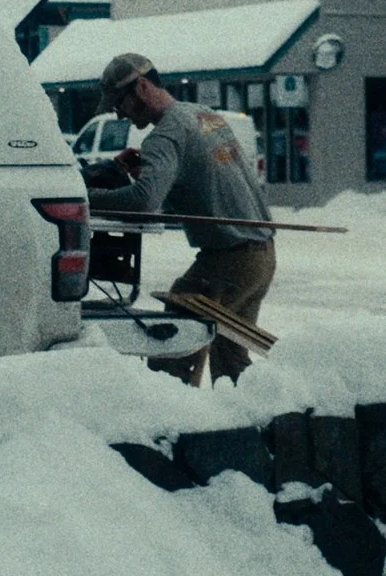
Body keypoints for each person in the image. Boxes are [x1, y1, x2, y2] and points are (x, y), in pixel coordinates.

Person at [86, 53, 275, 384]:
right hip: (261, 255)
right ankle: (252, 424)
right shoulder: (203, 115)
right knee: (231, 355)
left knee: (174, 339)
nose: (119, 114)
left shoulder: (165, 135)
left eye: (120, 103)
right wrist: (159, 174)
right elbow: (206, 180)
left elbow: (145, 203)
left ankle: (170, 419)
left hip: (230, 259)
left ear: (142, 87)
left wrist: (84, 199)